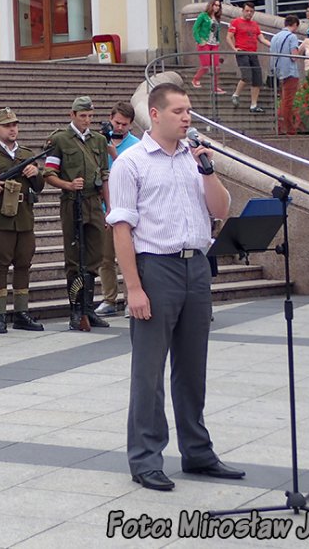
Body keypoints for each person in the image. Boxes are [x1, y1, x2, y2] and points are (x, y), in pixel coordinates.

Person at [107, 82, 243, 491]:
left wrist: (208, 170)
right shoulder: (130, 164)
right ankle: (146, 458)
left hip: (196, 267)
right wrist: (133, 288)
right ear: (156, 113)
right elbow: (121, 230)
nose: (187, 117)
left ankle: (198, 452)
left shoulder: (194, 158)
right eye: (180, 111)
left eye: (189, 111)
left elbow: (221, 210)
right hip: (155, 268)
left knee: (192, 368)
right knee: (149, 373)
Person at [0, 107, 45, 334]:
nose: (13, 129)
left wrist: (36, 174)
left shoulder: (25, 153)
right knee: (0, 265)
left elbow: (40, 187)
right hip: (0, 217)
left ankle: (21, 313)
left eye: (15, 125)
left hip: (24, 216)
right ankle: (0, 315)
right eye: (7, 126)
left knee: (24, 264)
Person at [44, 96, 110, 330]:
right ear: (72, 115)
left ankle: (88, 309)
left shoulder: (99, 140)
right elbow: (49, 173)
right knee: (74, 258)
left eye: (90, 116)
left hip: (94, 201)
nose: (87, 121)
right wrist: (68, 185)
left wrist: (108, 206)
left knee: (94, 256)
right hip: (72, 201)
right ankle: (75, 311)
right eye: (83, 116)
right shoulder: (59, 139)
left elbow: (104, 175)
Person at [95, 102, 141, 317]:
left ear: (131, 124)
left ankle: (130, 297)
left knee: (129, 256)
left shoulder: (136, 145)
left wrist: (114, 154)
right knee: (105, 257)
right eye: (116, 123)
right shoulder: (98, 142)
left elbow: (137, 173)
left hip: (128, 209)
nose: (119, 127)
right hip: (104, 207)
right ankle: (109, 298)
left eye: (124, 124)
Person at [226, 1, 272, 113]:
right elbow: (228, 37)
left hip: (253, 53)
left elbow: (261, 39)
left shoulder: (255, 25)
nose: (249, 13)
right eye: (247, 11)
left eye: (251, 11)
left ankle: (253, 105)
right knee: (246, 76)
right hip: (242, 52)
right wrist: (234, 49)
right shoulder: (236, 22)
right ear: (242, 11)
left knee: (257, 79)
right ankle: (236, 94)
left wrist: (274, 45)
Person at [269, 15, 302, 136]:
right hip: (290, 72)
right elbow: (294, 56)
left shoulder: (275, 37)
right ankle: (289, 128)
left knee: (283, 100)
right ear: (295, 25)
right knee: (288, 101)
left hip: (278, 72)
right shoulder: (292, 37)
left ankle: (280, 125)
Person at [190, 0, 225, 93]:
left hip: (214, 44)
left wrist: (218, 41)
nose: (217, 7)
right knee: (206, 65)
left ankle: (215, 87)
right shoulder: (203, 16)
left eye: (218, 6)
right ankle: (195, 79)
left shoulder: (217, 18)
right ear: (211, 5)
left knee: (216, 67)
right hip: (204, 43)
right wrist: (199, 40)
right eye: (215, 5)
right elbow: (195, 29)